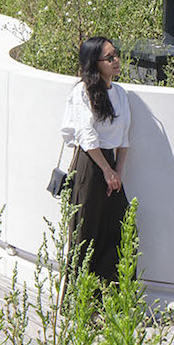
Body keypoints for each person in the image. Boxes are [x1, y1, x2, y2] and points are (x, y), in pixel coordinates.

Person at [60, 36, 132, 285]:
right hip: (90, 165)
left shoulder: (120, 94)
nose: (116, 61)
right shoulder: (83, 92)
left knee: (120, 229)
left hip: (110, 164)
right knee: (85, 231)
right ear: (95, 63)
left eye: (116, 55)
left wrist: (117, 173)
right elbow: (86, 135)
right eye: (109, 57)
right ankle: (78, 301)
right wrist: (105, 170)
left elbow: (123, 139)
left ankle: (108, 295)